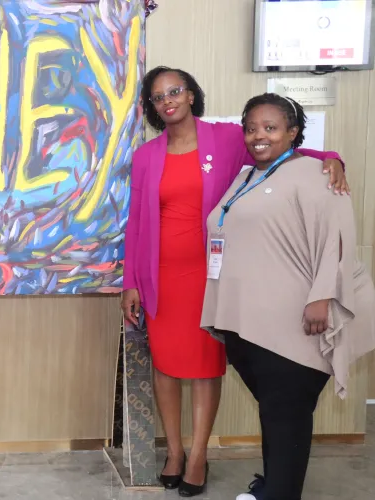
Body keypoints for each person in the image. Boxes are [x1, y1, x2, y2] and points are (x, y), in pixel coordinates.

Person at [120, 67, 348, 497]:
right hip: (160, 277)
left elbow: (281, 151)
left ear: (191, 95)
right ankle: (173, 452)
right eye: (157, 97)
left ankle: (200, 454)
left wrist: (332, 157)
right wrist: (131, 280)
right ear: (152, 107)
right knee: (166, 366)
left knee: (205, 367)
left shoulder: (226, 138)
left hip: (211, 279)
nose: (167, 100)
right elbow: (136, 223)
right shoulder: (146, 156)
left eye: (175, 91)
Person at [202, 94, 375, 500]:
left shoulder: (318, 173)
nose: (258, 136)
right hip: (249, 322)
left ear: (293, 132)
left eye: (270, 127)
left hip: (292, 321)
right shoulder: (247, 175)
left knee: (286, 411)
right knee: (275, 410)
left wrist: (323, 297)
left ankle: (280, 493)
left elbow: (338, 239)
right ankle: (274, 484)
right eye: (251, 128)